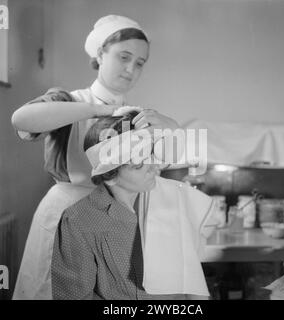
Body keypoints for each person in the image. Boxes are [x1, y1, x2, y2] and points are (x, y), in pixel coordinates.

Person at [11, 15, 179, 300]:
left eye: (140, 63)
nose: (131, 69)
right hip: (66, 213)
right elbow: (22, 119)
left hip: (113, 218)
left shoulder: (137, 115)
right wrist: (96, 111)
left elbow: (169, 161)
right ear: (101, 54)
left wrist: (169, 125)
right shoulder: (69, 101)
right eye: (123, 57)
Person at [51, 111, 214, 299]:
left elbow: (192, 279)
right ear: (110, 176)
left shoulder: (171, 200)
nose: (155, 166)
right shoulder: (79, 221)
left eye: (152, 154)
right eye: (138, 164)